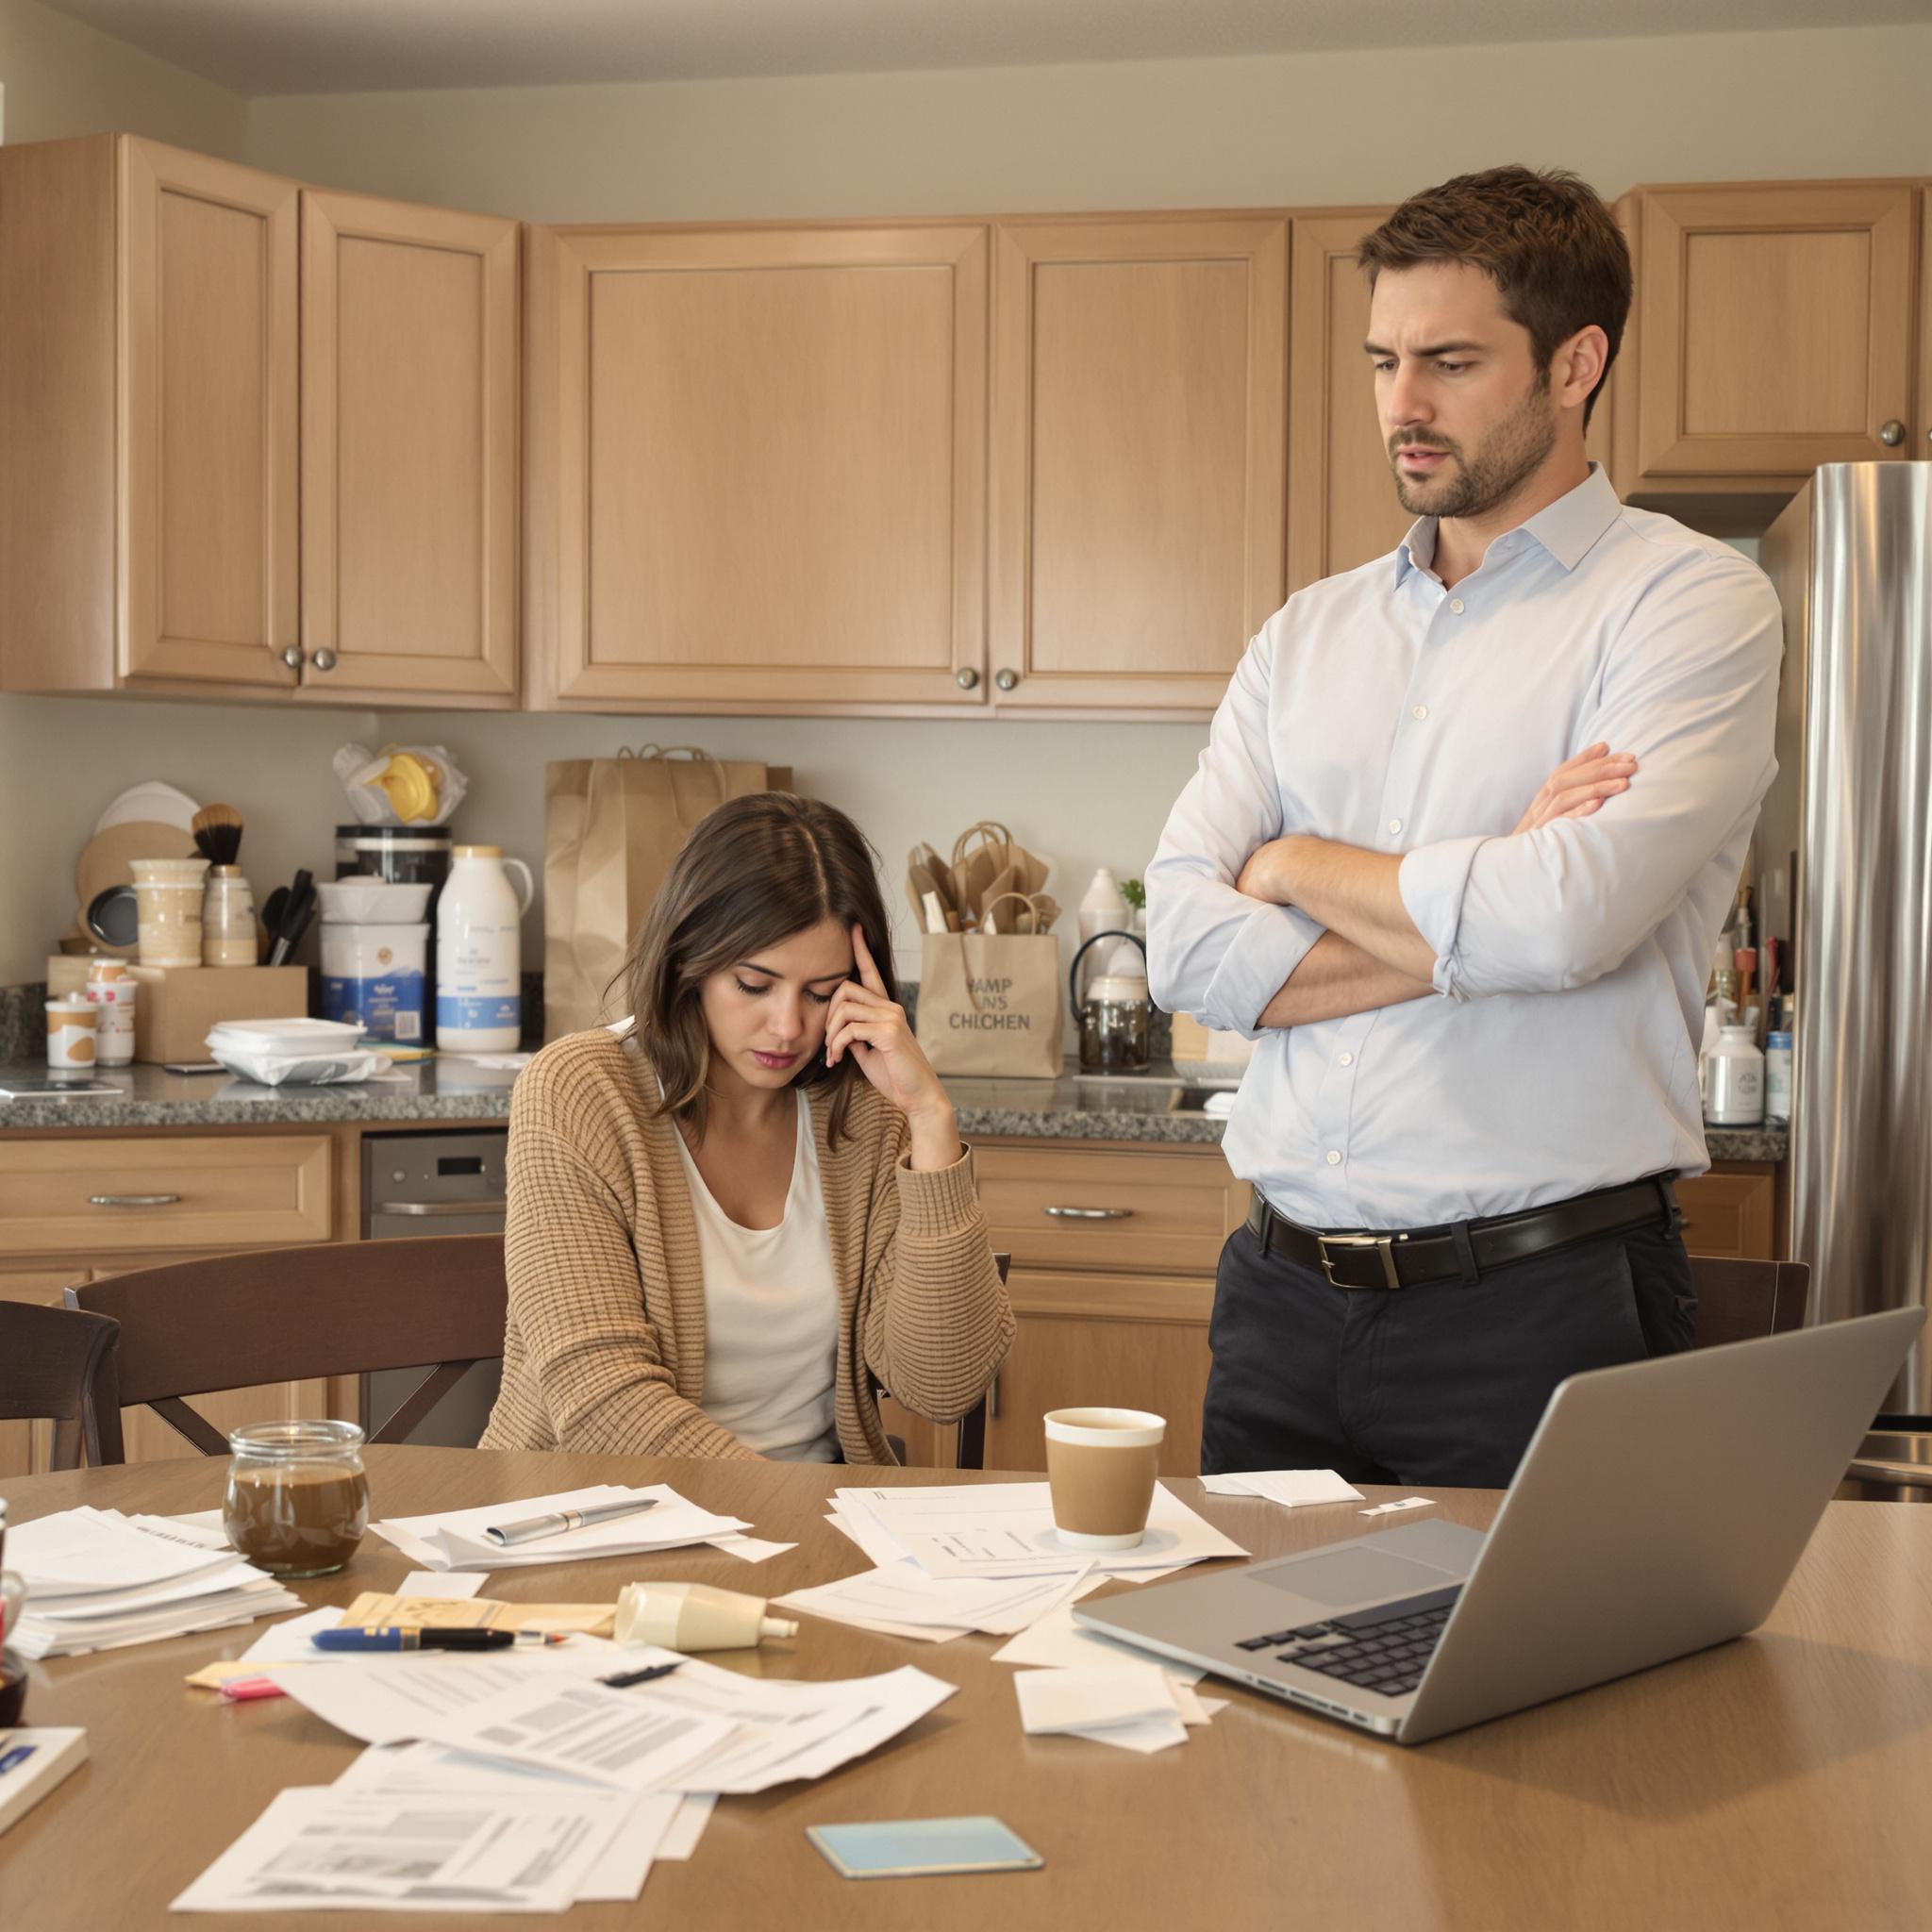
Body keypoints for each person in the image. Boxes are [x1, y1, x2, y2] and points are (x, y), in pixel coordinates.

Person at [1145, 164, 1783, 1489]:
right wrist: (1490, 887)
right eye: (1383, 360)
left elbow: (1566, 920)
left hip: (1542, 1309)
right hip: (1277, 1302)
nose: (1402, 407)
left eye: (1449, 362)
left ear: (1575, 363)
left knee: (1553, 1699)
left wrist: (1297, 865)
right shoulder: (1306, 635)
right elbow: (1186, 954)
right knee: (1250, 1684)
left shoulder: (1687, 606)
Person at [482, 791, 1013, 1463]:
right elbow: (602, 1403)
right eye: (754, 985)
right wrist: (794, 1517)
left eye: (822, 993)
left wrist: (932, 1122)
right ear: (689, 962)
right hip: (600, 1522)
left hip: (820, 1531)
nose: (789, 1027)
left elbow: (943, 1386)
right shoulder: (580, 1092)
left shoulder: (869, 1115)